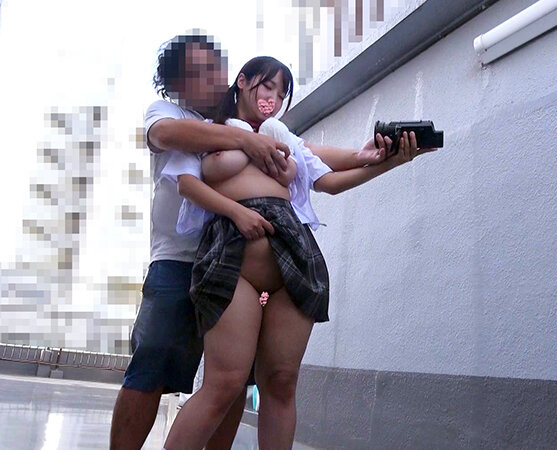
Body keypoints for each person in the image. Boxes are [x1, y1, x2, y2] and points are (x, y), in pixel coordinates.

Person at [109, 35, 392, 450]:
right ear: (177, 82)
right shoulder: (189, 124)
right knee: (165, 368)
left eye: (214, 68)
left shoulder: (269, 132)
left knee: (258, 379)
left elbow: (316, 163)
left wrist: (378, 158)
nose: (212, 78)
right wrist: (242, 167)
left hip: (283, 255)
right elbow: (173, 149)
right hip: (190, 258)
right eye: (198, 71)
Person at [161, 56, 434, 450]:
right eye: (266, 85)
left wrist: (390, 161)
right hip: (231, 258)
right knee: (225, 382)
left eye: (281, 92)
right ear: (243, 82)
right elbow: (186, 183)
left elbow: (330, 180)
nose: (272, 97)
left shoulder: (283, 138)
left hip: (292, 256)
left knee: (281, 381)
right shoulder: (210, 130)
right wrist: (236, 212)